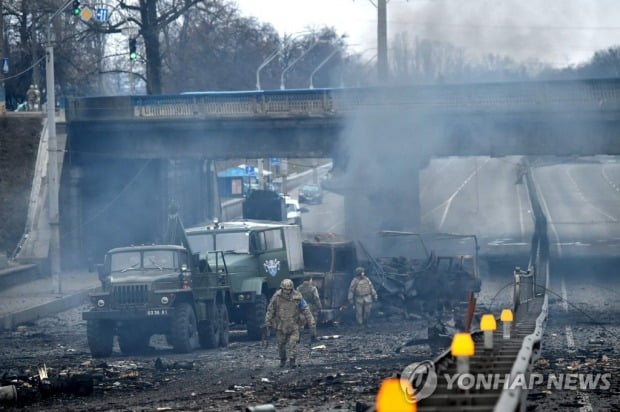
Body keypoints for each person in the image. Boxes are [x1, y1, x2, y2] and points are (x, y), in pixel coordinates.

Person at [265, 278, 316, 368]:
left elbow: (305, 309)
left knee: (293, 344)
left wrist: (311, 320)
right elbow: (270, 309)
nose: (286, 291)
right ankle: (283, 360)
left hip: (294, 325)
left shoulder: (297, 297)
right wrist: (268, 321)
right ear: (282, 288)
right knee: (281, 345)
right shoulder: (276, 297)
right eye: (285, 289)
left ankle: (292, 361)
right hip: (281, 325)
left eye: (288, 290)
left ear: (291, 289)